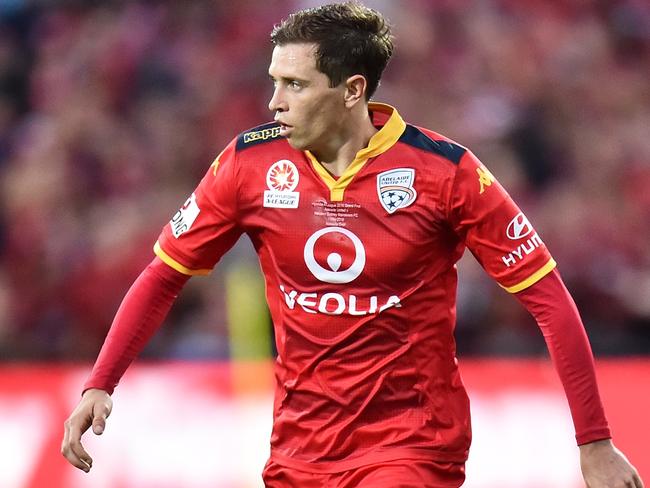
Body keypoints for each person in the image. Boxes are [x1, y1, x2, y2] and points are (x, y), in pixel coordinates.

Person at [61, 2, 644, 487]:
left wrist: (593, 443)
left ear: (351, 89)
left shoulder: (446, 173)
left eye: (294, 84)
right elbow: (165, 274)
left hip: (411, 445)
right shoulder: (248, 164)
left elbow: (549, 299)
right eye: (273, 82)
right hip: (299, 449)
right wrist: (100, 382)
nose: (274, 102)